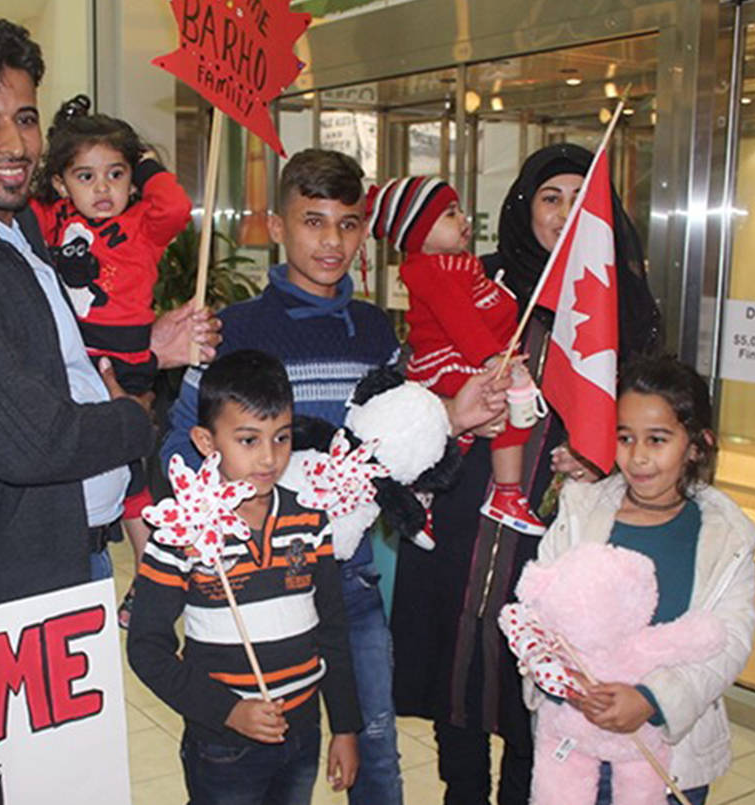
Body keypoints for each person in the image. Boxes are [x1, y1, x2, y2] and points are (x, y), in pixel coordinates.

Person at [162, 149, 510, 805]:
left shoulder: (377, 330)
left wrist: (454, 416)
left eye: (348, 224)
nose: (332, 241)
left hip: (349, 577)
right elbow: (180, 446)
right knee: (260, 759)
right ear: (279, 224)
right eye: (314, 221)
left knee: (375, 749)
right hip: (256, 582)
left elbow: (393, 440)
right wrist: (224, 517)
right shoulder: (230, 332)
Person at [0, 17, 217, 607]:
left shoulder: (24, 224)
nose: (15, 145)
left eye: (25, 118)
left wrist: (148, 346)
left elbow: (53, 354)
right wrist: (135, 415)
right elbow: (31, 441)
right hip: (6, 589)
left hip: (74, 556)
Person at [389, 143, 662, 805]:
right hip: (459, 513)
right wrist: (451, 413)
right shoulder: (481, 278)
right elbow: (410, 382)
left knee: (531, 692)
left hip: (553, 534)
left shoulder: (622, 308)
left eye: (580, 199)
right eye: (550, 197)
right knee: (453, 676)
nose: (565, 213)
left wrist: (603, 459)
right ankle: (461, 792)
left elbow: (649, 415)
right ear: (523, 207)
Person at [129, 349, 361, 805]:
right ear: (206, 442)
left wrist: (346, 726)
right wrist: (228, 711)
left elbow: (333, 630)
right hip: (223, 742)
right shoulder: (183, 533)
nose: (270, 458)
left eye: (282, 438)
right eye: (249, 440)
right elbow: (146, 647)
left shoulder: (310, 523)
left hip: (303, 730)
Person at [533, 355, 755, 805]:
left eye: (657, 440)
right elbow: (539, 612)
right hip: (575, 744)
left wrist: (653, 699)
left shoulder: (725, 534)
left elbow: (731, 639)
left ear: (696, 444)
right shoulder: (582, 511)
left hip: (672, 755)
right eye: (624, 438)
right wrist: (566, 684)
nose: (637, 457)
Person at [31, 93, 192, 627]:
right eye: (85, 177)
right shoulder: (51, 218)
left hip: (126, 365)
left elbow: (176, 206)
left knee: (134, 480)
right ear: (60, 183)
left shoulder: (145, 224)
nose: (102, 189)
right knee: (91, 475)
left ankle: (149, 576)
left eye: (116, 174)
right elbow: (19, 200)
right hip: (73, 367)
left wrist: (145, 161)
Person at [369, 175, 544, 539]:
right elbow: (460, 320)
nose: (463, 219)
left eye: (459, 210)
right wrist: (494, 359)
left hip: (473, 357)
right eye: (450, 214)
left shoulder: (463, 265)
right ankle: (503, 492)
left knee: (489, 416)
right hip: (447, 361)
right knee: (496, 406)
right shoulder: (428, 270)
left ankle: (435, 495)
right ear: (418, 233)